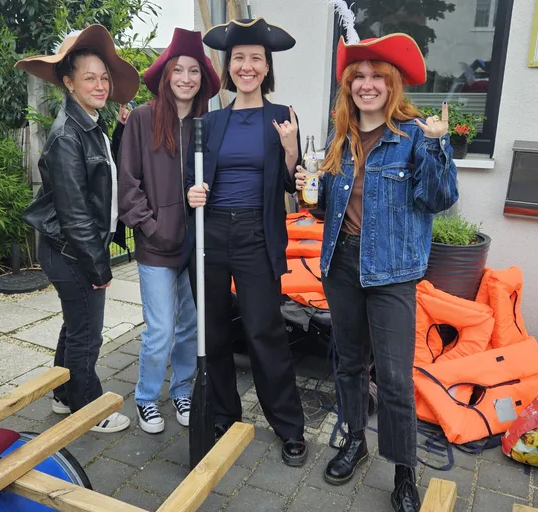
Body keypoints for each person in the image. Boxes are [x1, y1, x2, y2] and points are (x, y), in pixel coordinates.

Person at [296, 34, 458, 511]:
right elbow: (328, 209)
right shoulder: (340, 136)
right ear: (349, 86)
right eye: (359, 78)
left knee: (392, 377)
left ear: (392, 86)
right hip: (341, 264)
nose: (367, 86)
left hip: (391, 271)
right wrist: (311, 186)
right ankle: (353, 440)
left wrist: (436, 146)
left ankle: (404, 473)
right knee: (347, 364)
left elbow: (438, 200)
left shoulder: (413, 135)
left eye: (377, 78)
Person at [184, 17, 308, 467]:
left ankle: (289, 427)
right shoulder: (211, 121)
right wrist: (191, 192)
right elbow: (191, 178)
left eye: (256, 58)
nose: (247, 66)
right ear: (229, 67)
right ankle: (223, 414)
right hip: (212, 232)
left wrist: (292, 150)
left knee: (264, 331)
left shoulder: (283, 117)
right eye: (239, 59)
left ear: (266, 66)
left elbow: (296, 186)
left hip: (257, 233)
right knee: (214, 331)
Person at [15, 25, 139, 433]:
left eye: (104, 77)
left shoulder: (89, 122)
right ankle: (91, 411)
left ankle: (63, 394)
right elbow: (75, 215)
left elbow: (105, 175)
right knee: (88, 334)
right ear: (69, 83)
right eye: (90, 77)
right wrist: (99, 268)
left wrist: (120, 130)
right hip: (72, 251)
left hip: (71, 249)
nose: (100, 85)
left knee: (75, 325)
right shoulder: (69, 134)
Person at [117, 28, 220, 434]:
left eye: (194, 70)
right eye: (178, 69)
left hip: (196, 247)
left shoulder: (206, 124)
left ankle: (181, 390)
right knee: (159, 330)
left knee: (190, 328)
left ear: (202, 79)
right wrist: (152, 227)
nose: (186, 78)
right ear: (166, 74)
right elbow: (128, 184)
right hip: (157, 246)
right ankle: (145, 397)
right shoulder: (142, 119)